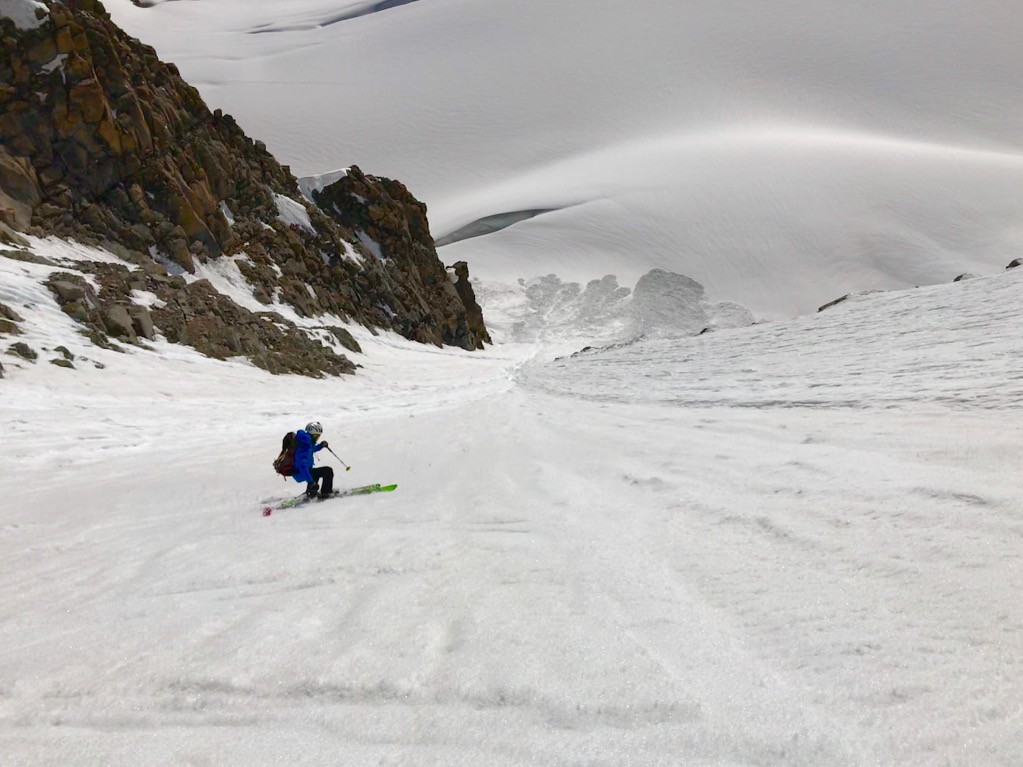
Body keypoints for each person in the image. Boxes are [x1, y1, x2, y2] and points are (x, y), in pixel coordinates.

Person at [292, 421, 334, 499]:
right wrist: (311, 483)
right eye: (317, 436)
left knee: (314, 473)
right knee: (327, 470)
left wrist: (321, 446)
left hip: (301, 471)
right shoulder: (304, 445)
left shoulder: (305, 442)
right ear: (313, 435)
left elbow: (311, 449)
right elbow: (303, 466)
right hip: (301, 472)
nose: (318, 438)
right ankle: (326, 493)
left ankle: (311, 494)